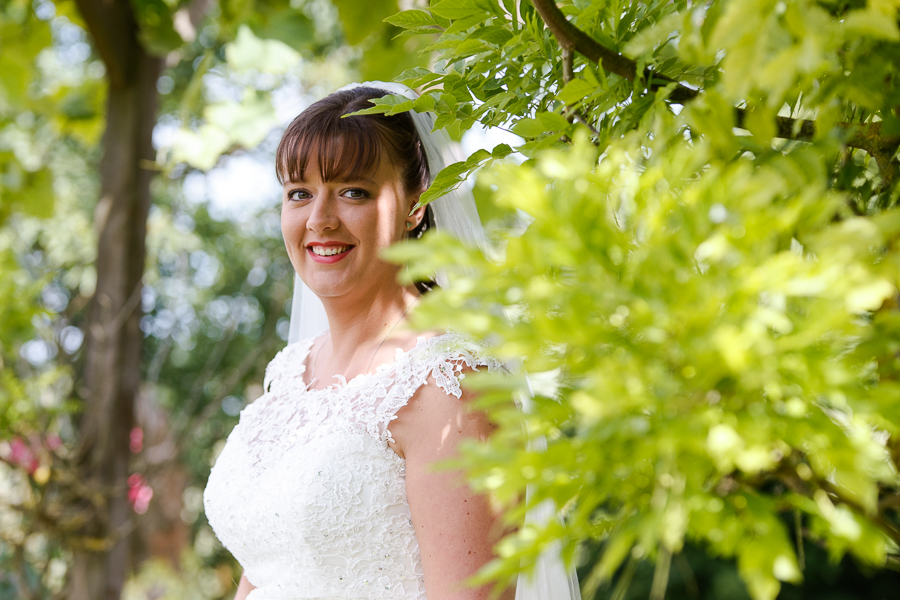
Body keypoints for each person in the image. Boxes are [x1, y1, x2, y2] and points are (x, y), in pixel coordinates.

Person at [203, 82, 515, 600]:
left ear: (416, 205)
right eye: (299, 193)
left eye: (353, 191)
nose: (319, 219)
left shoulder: (449, 383)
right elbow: (270, 568)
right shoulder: (290, 372)